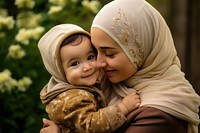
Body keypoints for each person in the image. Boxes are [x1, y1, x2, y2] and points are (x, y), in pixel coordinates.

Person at [40, 0, 200, 133]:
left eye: (109, 54)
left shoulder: (161, 114)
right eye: (96, 52)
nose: (98, 63)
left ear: (140, 51)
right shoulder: (106, 86)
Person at [38, 24, 140, 133]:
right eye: (75, 64)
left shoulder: (81, 85)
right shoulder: (72, 99)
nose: (87, 67)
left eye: (90, 57)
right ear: (59, 71)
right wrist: (123, 107)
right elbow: (92, 126)